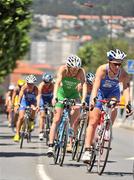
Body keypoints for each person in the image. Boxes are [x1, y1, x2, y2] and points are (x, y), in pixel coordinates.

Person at [82, 49, 132, 162]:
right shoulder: (102, 69)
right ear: (109, 62)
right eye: (115, 64)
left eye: (120, 64)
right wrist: (94, 99)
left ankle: (107, 127)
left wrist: (128, 104)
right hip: (100, 92)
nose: (118, 67)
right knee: (93, 120)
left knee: (114, 105)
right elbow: (95, 87)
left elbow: (126, 88)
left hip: (112, 93)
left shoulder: (122, 73)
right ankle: (87, 150)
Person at [47, 54, 87, 156]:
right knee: (56, 119)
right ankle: (51, 145)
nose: (74, 71)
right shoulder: (63, 69)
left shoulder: (81, 72)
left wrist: (83, 100)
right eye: (73, 69)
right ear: (68, 66)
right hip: (62, 94)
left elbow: (84, 85)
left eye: (76, 69)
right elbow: (57, 83)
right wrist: (54, 97)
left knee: (75, 119)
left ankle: (70, 142)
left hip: (74, 95)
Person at [13, 74, 38, 142]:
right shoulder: (24, 87)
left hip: (32, 101)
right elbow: (20, 95)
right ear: (27, 83)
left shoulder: (36, 89)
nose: (30, 85)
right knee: (21, 117)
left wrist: (36, 106)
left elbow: (37, 98)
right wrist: (18, 103)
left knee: (33, 110)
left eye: (32, 84)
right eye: (29, 83)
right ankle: (17, 134)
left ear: (34, 84)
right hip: (24, 101)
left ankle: (31, 121)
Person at [37, 72, 54, 141]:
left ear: (50, 81)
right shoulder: (41, 85)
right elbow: (38, 96)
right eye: (45, 82)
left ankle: (52, 123)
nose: (46, 84)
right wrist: (38, 105)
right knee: (42, 115)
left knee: (54, 112)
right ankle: (41, 131)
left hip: (50, 99)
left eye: (48, 82)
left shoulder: (53, 85)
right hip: (42, 99)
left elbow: (55, 95)